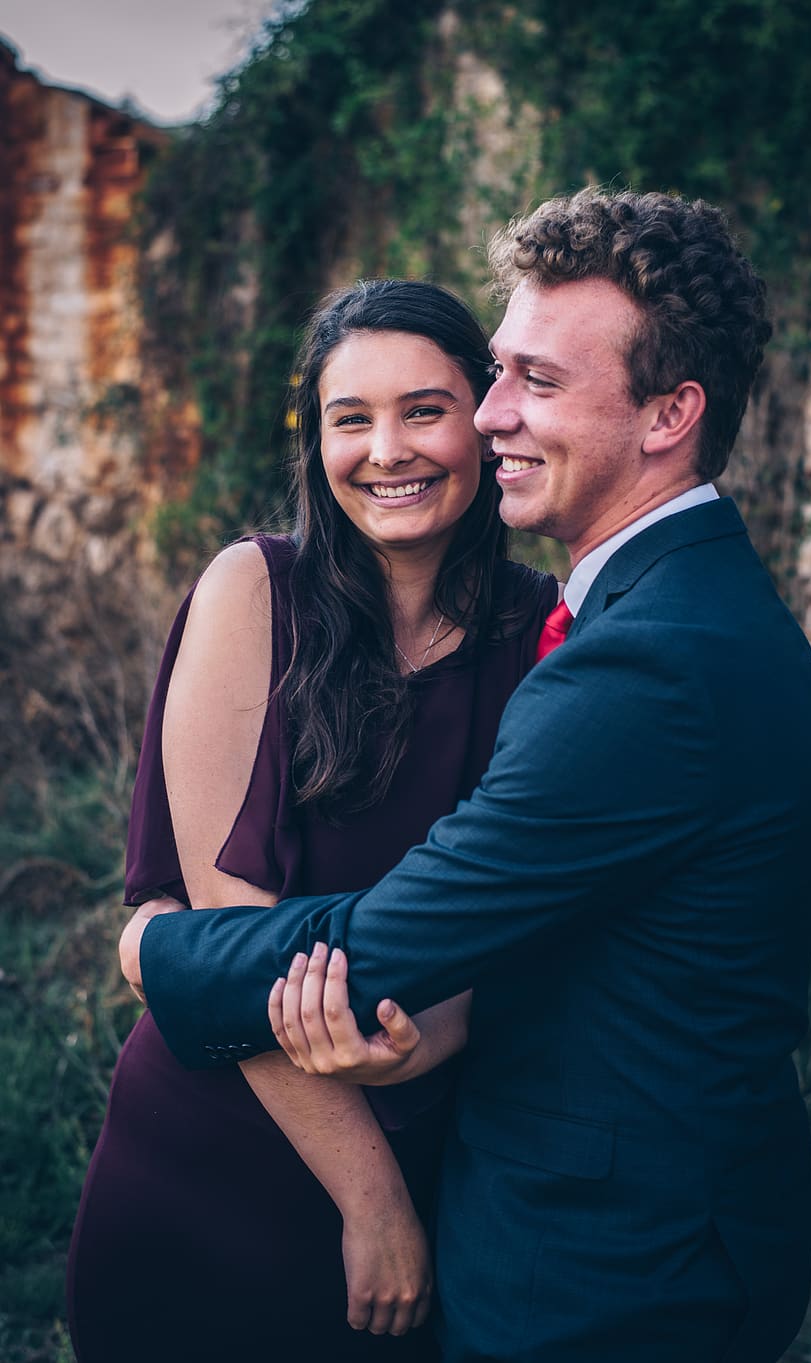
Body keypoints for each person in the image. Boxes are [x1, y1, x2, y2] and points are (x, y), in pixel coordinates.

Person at [123, 189, 811, 1363]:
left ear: (670, 412)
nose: (491, 413)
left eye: (538, 383)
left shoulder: (647, 659)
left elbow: (389, 941)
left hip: (609, 1268)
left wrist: (154, 950)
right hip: (580, 1229)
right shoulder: (664, 609)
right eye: (498, 372)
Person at [66, 278, 557, 1363]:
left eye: (424, 409)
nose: (389, 449)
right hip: (210, 1148)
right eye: (351, 418)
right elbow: (230, 938)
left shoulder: (537, 631)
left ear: (481, 420)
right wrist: (375, 1207)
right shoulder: (255, 590)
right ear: (316, 441)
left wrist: (434, 1038)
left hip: (426, 1124)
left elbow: (515, 914)